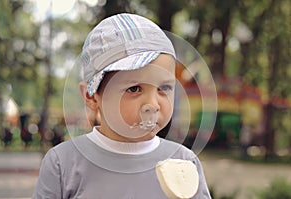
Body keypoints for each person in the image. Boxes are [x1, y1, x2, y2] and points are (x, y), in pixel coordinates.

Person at [33, 13, 211, 199]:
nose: (152, 104)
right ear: (91, 96)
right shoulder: (63, 164)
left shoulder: (184, 163)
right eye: (134, 89)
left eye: (164, 87)